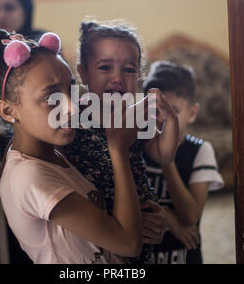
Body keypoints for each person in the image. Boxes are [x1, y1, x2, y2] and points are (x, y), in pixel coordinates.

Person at [0, 29, 143, 263]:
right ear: (8, 110)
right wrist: (118, 148)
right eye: (50, 98)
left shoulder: (52, 152)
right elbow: (129, 243)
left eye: (70, 89)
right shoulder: (30, 176)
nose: (70, 107)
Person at [63, 19, 180, 263]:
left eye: (128, 70)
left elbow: (163, 154)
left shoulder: (135, 115)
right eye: (105, 68)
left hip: (138, 216)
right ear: (83, 73)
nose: (117, 78)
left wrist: (171, 120)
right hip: (96, 221)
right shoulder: (73, 116)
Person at [0, 0, 47, 263]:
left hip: (39, 143)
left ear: (25, 9)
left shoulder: (42, 46)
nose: (1, 15)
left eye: (9, 7)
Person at [142, 61, 225, 264]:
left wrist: (166, 157)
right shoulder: (135, 145)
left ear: (192, 112)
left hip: (183, 256)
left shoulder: (200, 151)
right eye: (156, 111)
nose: (164, 120)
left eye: (173, 111)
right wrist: (169, 217)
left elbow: (190, 217)